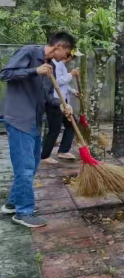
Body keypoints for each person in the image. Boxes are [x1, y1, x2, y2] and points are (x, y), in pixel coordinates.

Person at [0, 32, 75, 228]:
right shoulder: (29, 53)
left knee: (32, 165)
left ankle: (13, 203)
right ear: (58, 46)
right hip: (19, 118)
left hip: (35, 121)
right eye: (67, 51)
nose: (66, 56)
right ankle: (23, 212)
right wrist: (34, 71)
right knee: (24, 167)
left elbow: (48, 97)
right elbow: (5, 74)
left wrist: (61, 105)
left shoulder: (50, 68)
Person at [41, 51, 83, 164]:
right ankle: (44, 156)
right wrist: (71, 74)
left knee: (71, 123)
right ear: (68, 55)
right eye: (73, 57)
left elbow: (64, 84)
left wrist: (73, 91)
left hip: (63, 103)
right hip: (54, 101)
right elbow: (57, 81)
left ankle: (63, 151)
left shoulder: (62, 65)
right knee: (54, 129)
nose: (72, 59)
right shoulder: (55, 64)